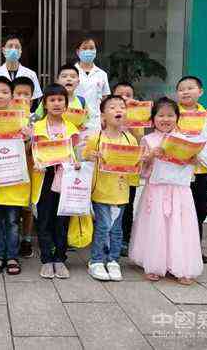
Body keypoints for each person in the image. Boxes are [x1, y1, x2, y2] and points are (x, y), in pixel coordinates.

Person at [130, 97, 204, 284]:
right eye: (161, 115)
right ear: (153, 119)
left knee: (180, 226)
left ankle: (182, 267)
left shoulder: (186, 140)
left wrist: (194, 160)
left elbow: (193, 167)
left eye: (170, 115)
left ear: (177, 118)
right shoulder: (148, 140)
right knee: (156, 226)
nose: (165, 119)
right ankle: (154, 265)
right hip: (156, 190)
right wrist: (150, 156)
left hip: (180, 191)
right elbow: (140, 170)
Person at [82, 95, 139, 281]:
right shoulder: (96, 138)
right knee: (103, 226)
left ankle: (113, 260)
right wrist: (91, 156)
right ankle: (96, 260)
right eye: (112, 107)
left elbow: (134, 165)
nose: (118, 110)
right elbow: (85, 157)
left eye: (122, 107)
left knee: (116, 229)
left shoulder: (130, 139)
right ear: (103, 116)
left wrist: (140, 161)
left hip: (121, 192)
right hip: (100, 191)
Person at [0, 76, 31, 276]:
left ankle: (12, 256)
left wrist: (28, 138)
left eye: (4, 92)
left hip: (14, 180)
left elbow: (28, 150)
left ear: (12, 97)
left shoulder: (22, 120)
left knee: (12, 222)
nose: (0, 96)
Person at [176, 76, 207, 264]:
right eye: (181, 89)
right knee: (180, 210)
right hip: (180, 171)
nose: (185, 92)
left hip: (201, 171)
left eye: (190, 88)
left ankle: (195, 248)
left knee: (200, 209)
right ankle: (177, 248)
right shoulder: (173, 113)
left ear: (200, 92)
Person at [31, 84, 80, 279]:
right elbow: (32, 152)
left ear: (66, 104)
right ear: (45, 104)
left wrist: (76, 164)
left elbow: (74, 154)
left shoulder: (71, 128)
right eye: (52, 100)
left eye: (60, 100)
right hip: (44, 177)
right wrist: (37, 162)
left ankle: (60, 259)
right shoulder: (36, 127)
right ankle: (46, 259)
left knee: (62, 219)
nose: (56, 103)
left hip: (65, 177)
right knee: (43, 219)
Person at [112, 82, 144, 257]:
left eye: (128, 95)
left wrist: (132, 120)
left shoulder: (137, 118)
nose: (125, 98)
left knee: (127, 204)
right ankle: (106, 238)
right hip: (110, 169)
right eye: (120, 95)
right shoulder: (107, 116)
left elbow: (140, 140)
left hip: (129, 168)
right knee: (106, 204)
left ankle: (125, 239)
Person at [12, 76, 36, 258]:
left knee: (28, 208)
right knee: (12, 207)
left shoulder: (37, 120)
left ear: (32, 99)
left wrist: (30, 138)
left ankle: (26, 239)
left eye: (26, 94)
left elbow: (39, 148)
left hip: (29, 168)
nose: (22, 98)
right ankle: (11, 240)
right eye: (18, 94)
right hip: (9, 168)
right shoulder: (5, 117)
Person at [0, 34, 42, 101]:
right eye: (10, 46)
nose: (13, 49)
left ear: (21, 51)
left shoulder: (31, 74)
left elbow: (35, 99)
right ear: (3, 50)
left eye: (17, 47)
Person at [73, 38, 110, 131]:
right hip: (74, 119)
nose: (88, 51)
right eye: (84, 48)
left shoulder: (102, 74)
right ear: (78, 52)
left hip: (95, 121)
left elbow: (105, 97)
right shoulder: (71, 72)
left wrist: (103, 116)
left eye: (91, 48)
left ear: (95, 51)